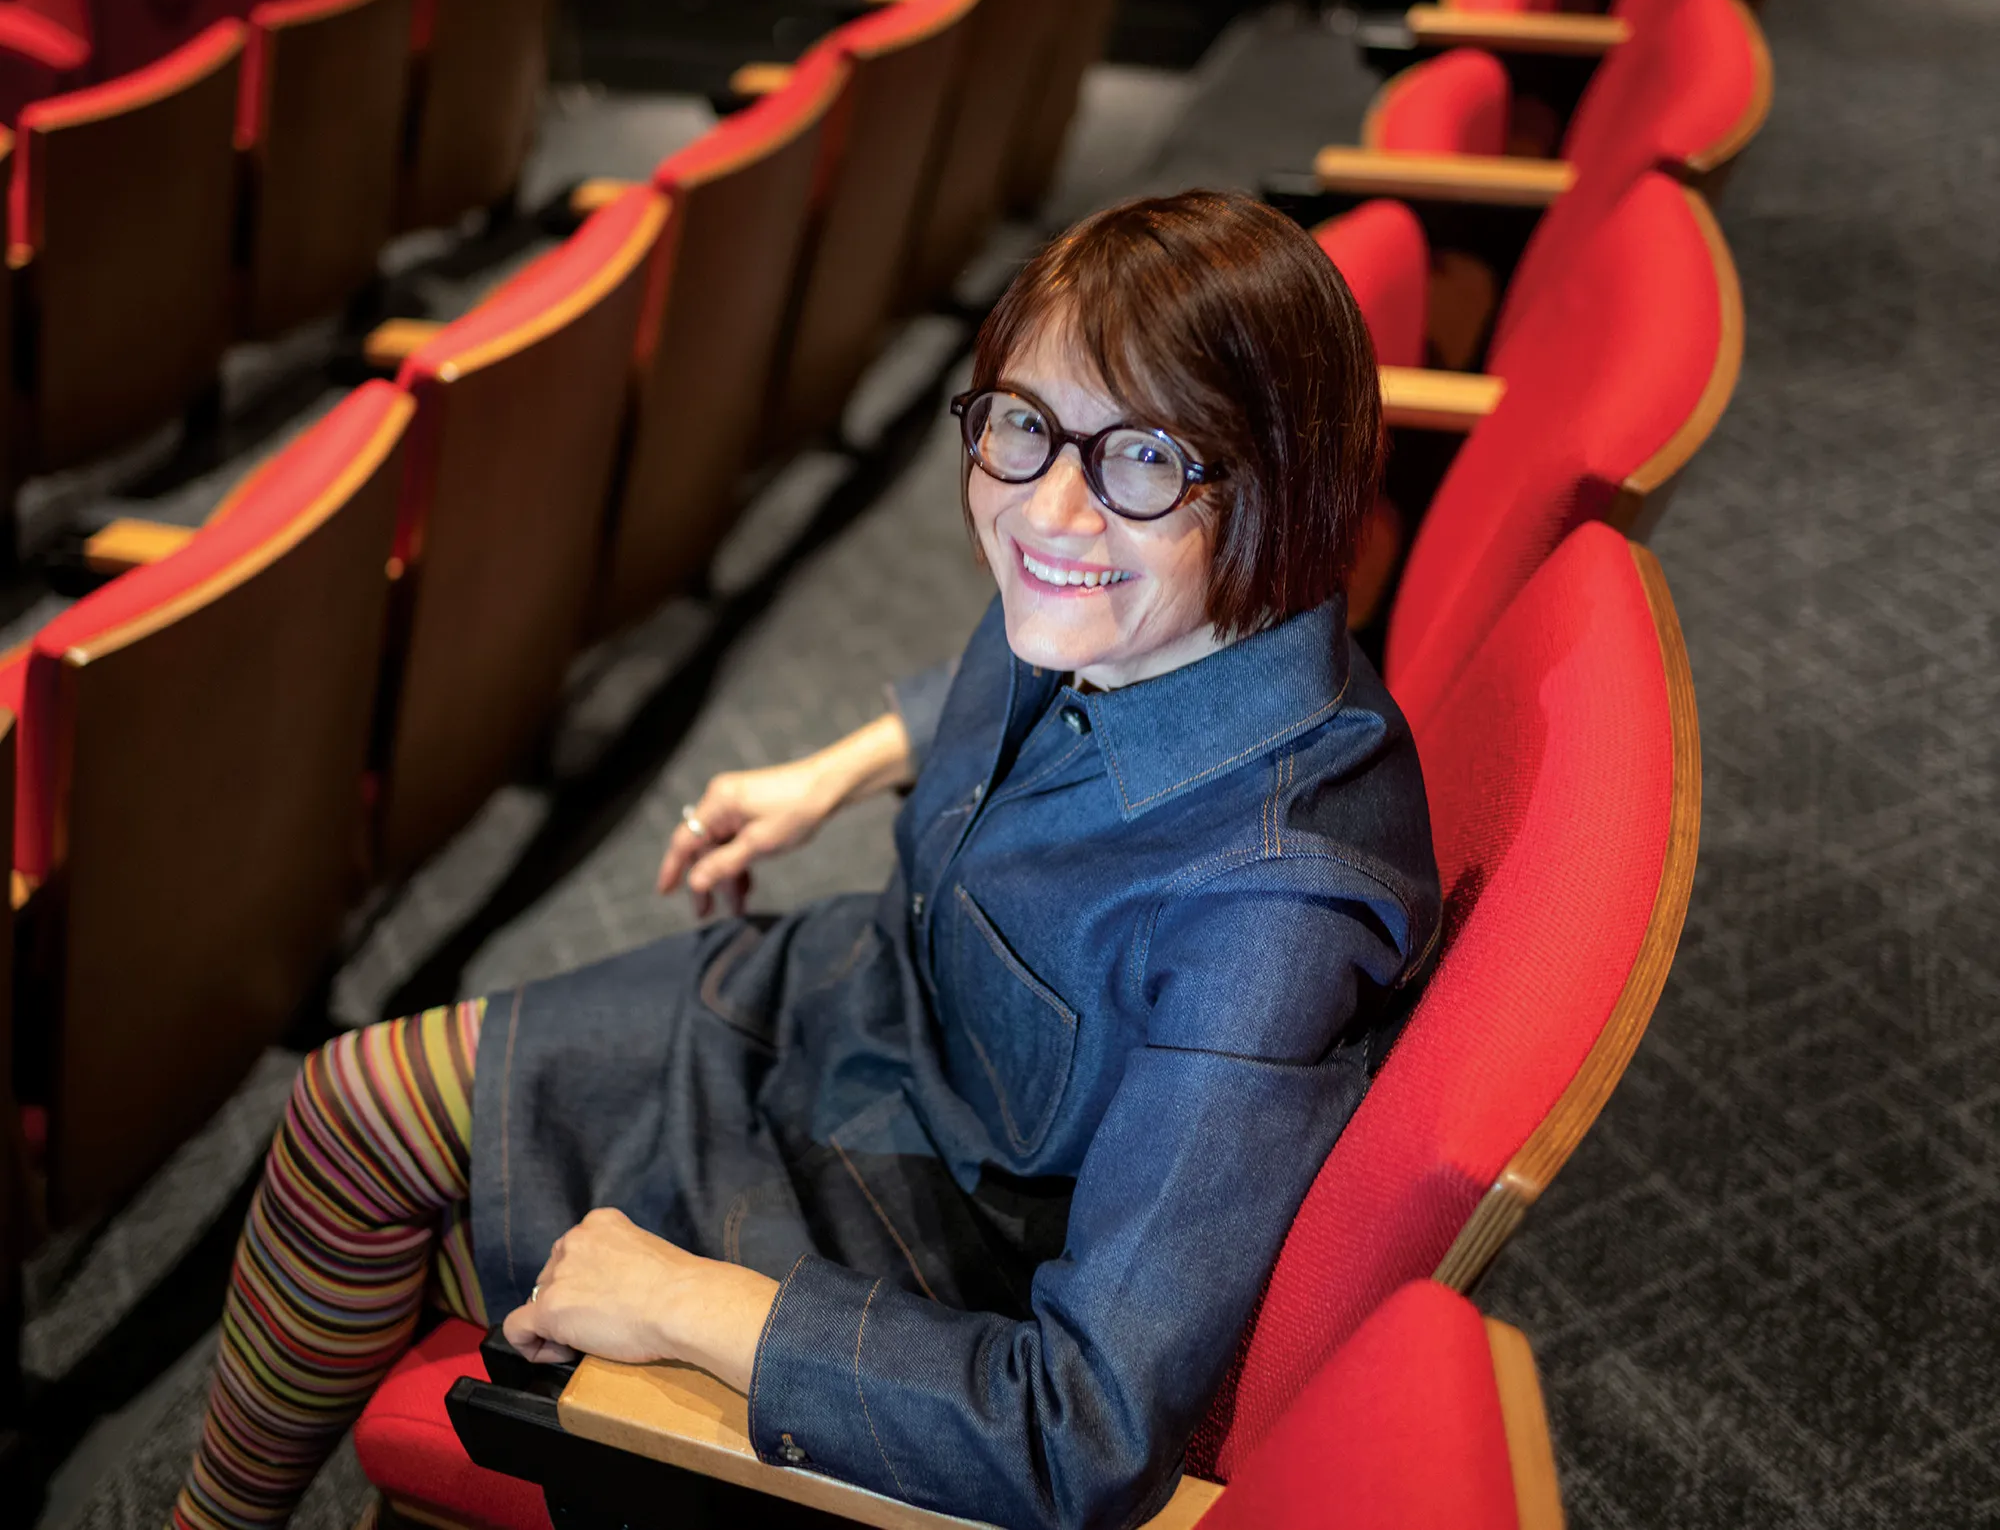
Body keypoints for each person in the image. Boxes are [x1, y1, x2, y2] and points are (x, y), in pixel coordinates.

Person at [173, 189, 1439, 1530]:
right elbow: (1006, 670)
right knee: (350, 1108)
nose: (1046, 510)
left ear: (1286, 479)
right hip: (869, 1010)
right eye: (1019, 422)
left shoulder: (1268, 914)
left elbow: (1080, 1429)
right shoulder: (1145, 612)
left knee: (415, 1247)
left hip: (916, 1240)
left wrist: (684, 1300)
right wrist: (831, 768)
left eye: (1139, 456)